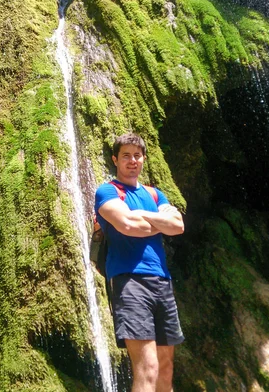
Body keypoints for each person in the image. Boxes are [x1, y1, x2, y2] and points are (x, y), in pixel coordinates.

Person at [94, 133, 184, 392]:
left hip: (162, 282)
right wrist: (158, 221)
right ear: (115, 159)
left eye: (137, 155)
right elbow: (127, 225)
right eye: (126, 156)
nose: (132, 160)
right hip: (129, 281)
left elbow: (178, 226)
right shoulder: (108, 191)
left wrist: (144, 214)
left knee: (166, 367)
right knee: (148, 367)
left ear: (143, 159)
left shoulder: (155, 194)